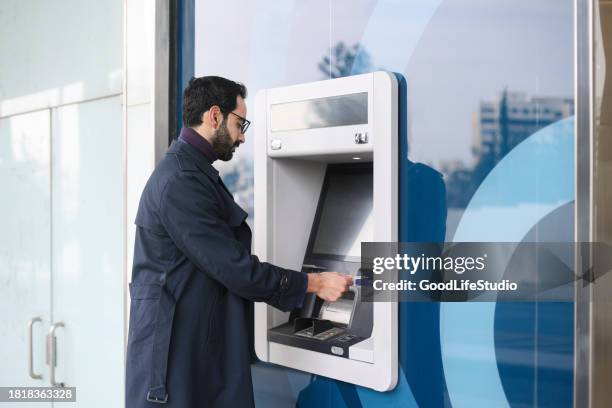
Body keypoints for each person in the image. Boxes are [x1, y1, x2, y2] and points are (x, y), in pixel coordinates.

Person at [125, 76, 352, 407]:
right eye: (239, 123)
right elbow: (235, 269)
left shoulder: (190, 172)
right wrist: (314, 283)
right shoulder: (181, 181)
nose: (243, 136)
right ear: (214, 116)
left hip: (192, 355)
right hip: (176, 370)